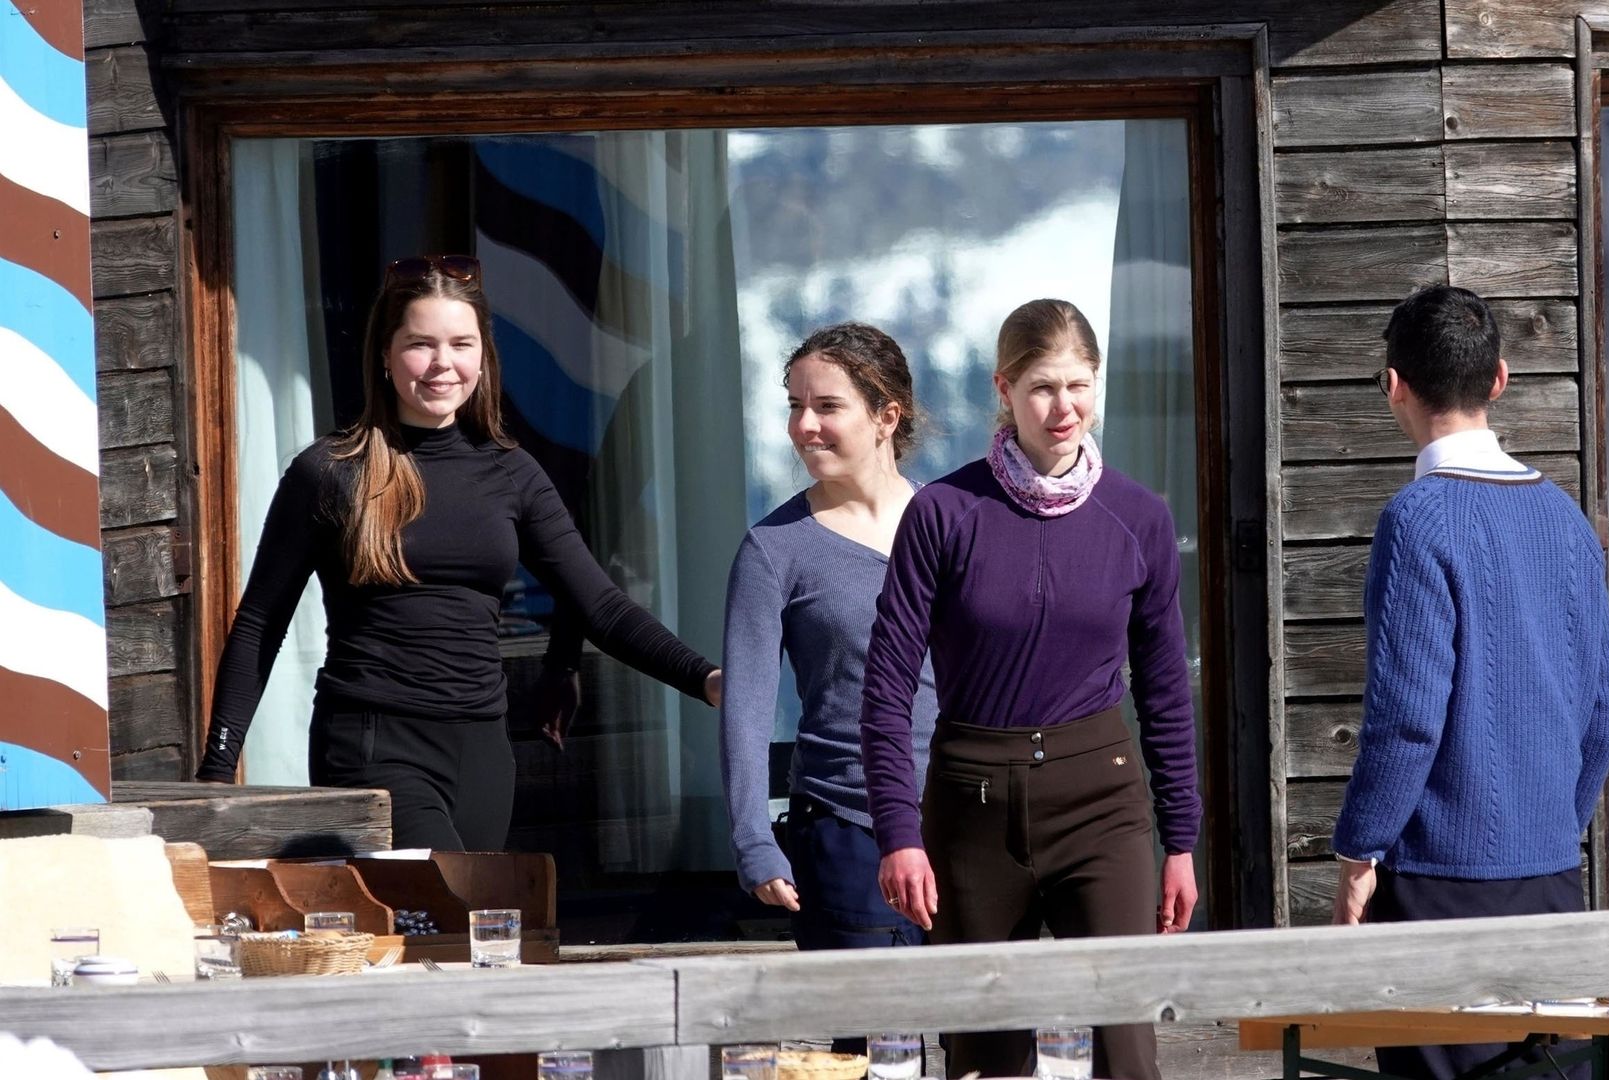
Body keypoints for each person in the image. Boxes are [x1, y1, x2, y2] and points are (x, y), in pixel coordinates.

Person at [194, 255, 722, 852]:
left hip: (481, 748)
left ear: (483, 356)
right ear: (385, 357)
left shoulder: (511, 472)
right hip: (374, 742)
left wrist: (706, 680)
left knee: (470, 936)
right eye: (421, 344)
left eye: (461, 344)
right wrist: (218, 768)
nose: (444, 364)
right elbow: (262, 620)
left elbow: (599, 604)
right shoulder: (331, 472)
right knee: (441, 903)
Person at [860, 298, 1202, 1080]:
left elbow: (1163, 691)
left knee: (1127, 1050)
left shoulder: (1138, 518)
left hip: (1101, 804)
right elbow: (885, 687)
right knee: (985, 1058)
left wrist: (1180, 841)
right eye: (1044, 387)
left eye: (1080, 386)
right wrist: (897, 833)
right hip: (970, 808)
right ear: (1004, 389)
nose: (1064, 408)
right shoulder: (944, 514)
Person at [1330, 285, 1609, 1080]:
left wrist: (1359, 850)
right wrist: (1553, 824)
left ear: (1393, 385)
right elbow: (1604, 710)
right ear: (1499, 379)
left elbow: (1408, 721)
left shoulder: (1418, 520)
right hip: (1554, 876)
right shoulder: (1565, 517)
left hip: (1437, 884)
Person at [718, 323, 938, 1052]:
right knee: (876, 1056)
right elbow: (746, 707)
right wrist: (754, 838)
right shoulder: (774, 549)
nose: (803, 425)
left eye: (827, 406)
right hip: (848, 836)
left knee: (989, 1054)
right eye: (794, 405)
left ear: (886, 416)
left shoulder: (954, 525)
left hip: (965, 833)